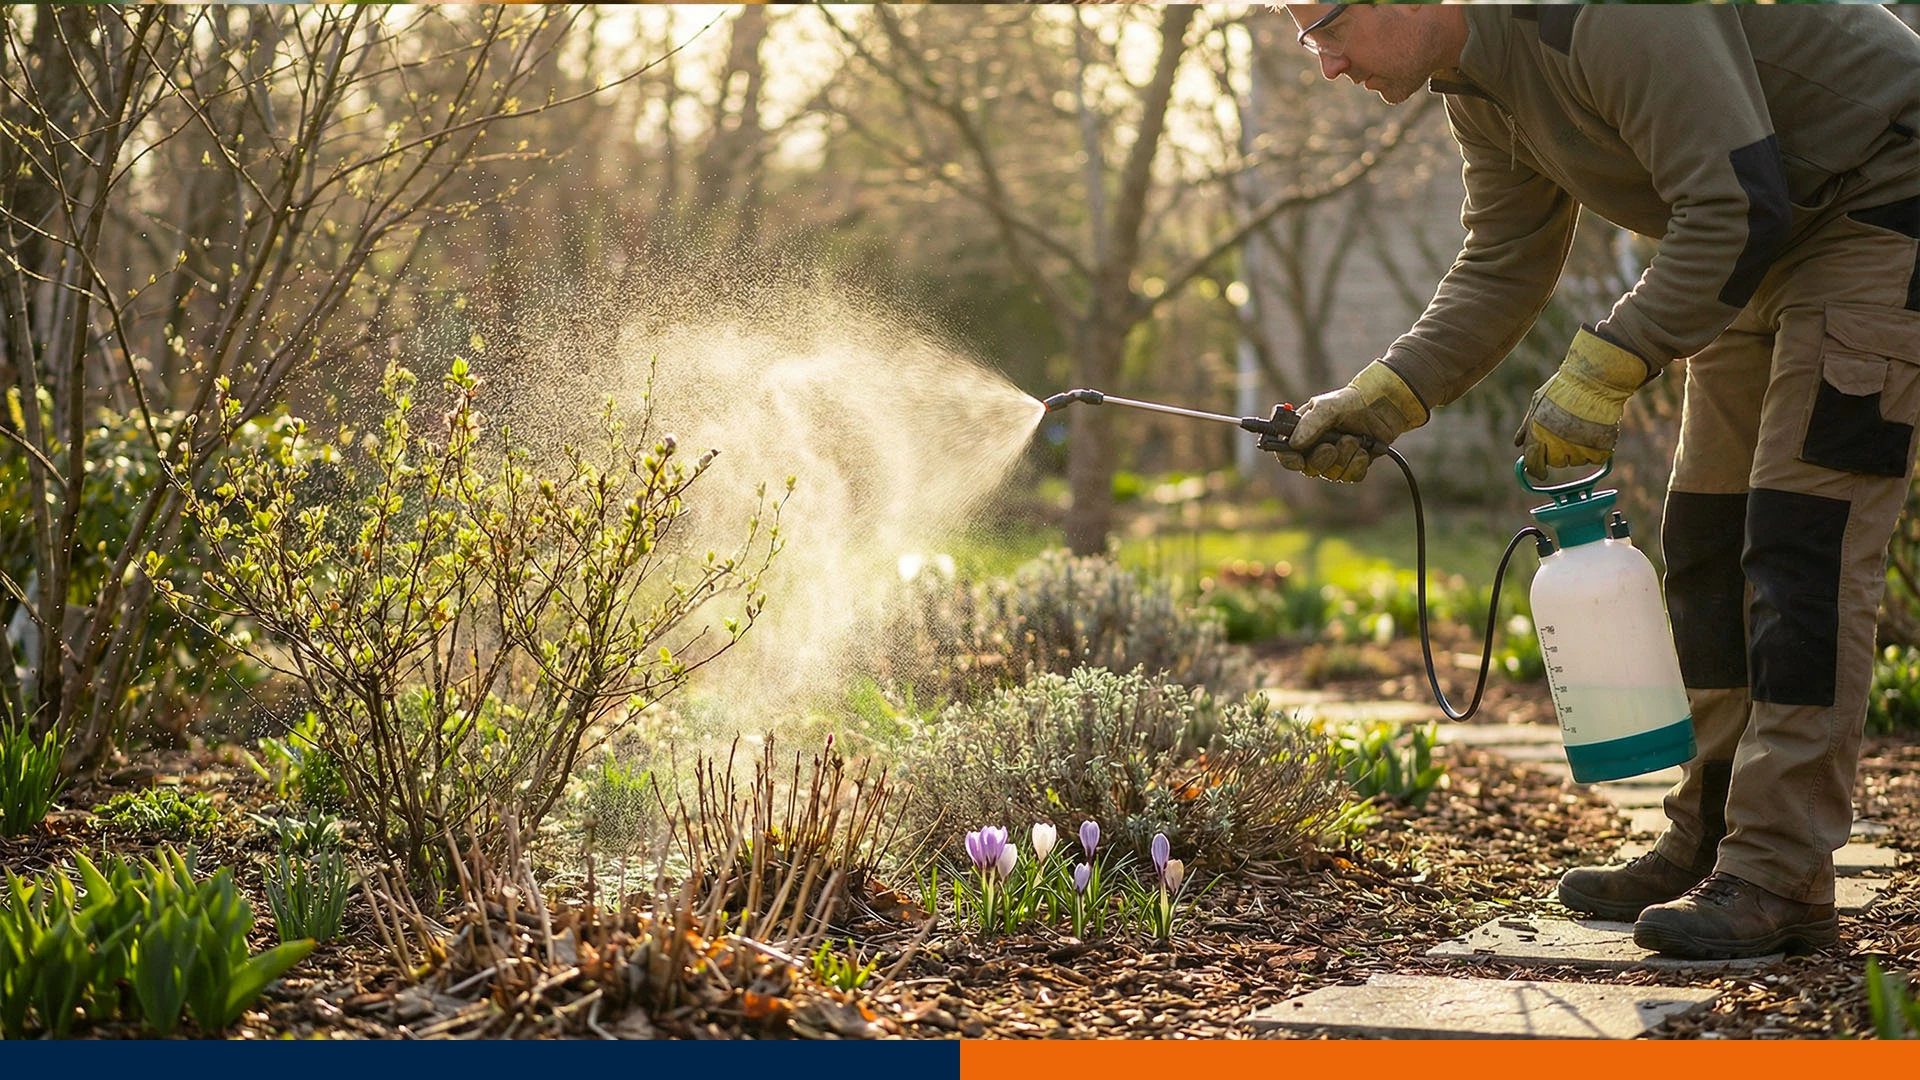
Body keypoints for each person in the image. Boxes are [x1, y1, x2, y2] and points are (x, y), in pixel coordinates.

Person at [1280, 3, 1920, 960]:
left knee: (1804, 549)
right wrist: (1385, 397)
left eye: (1324, 27)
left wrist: (1606, 363)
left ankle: (1780, 872)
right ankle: (1710, 838)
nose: (1324, 63)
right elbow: (1504, 258)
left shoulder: (1610, 12)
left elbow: (1734, 202)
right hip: (1760, 235)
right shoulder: (1476, 83)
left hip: (1879, 201)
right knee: (1707, 544)